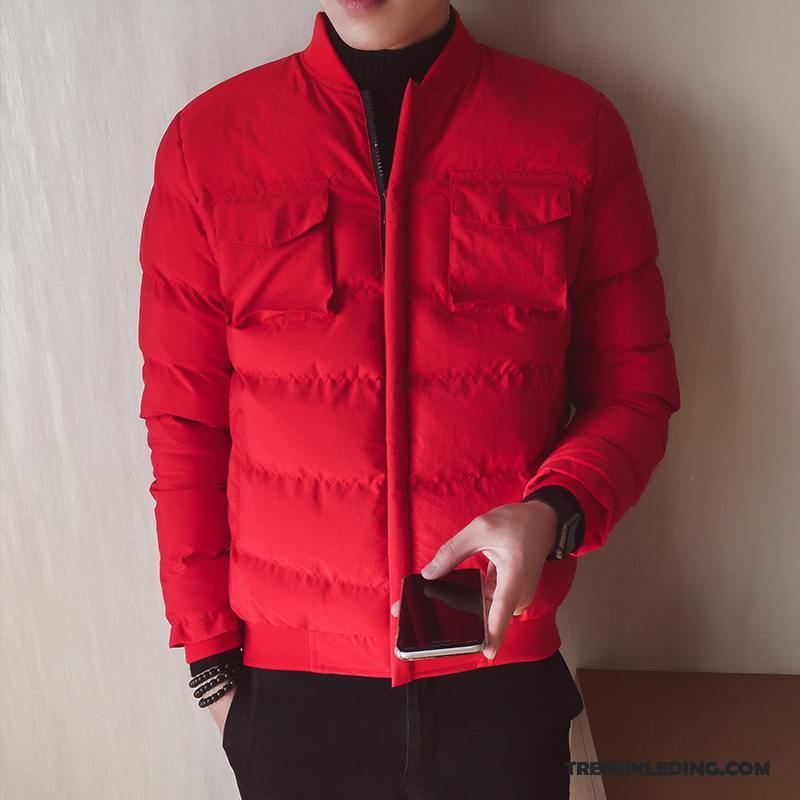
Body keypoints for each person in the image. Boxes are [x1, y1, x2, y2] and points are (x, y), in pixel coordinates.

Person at [137, 1, 680, 797]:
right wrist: (211, 664)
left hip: (496, 679)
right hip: (292, 700)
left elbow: (634, 388)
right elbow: (184, 423)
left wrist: (554, 511)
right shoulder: (209, 145)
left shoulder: (575, 131)